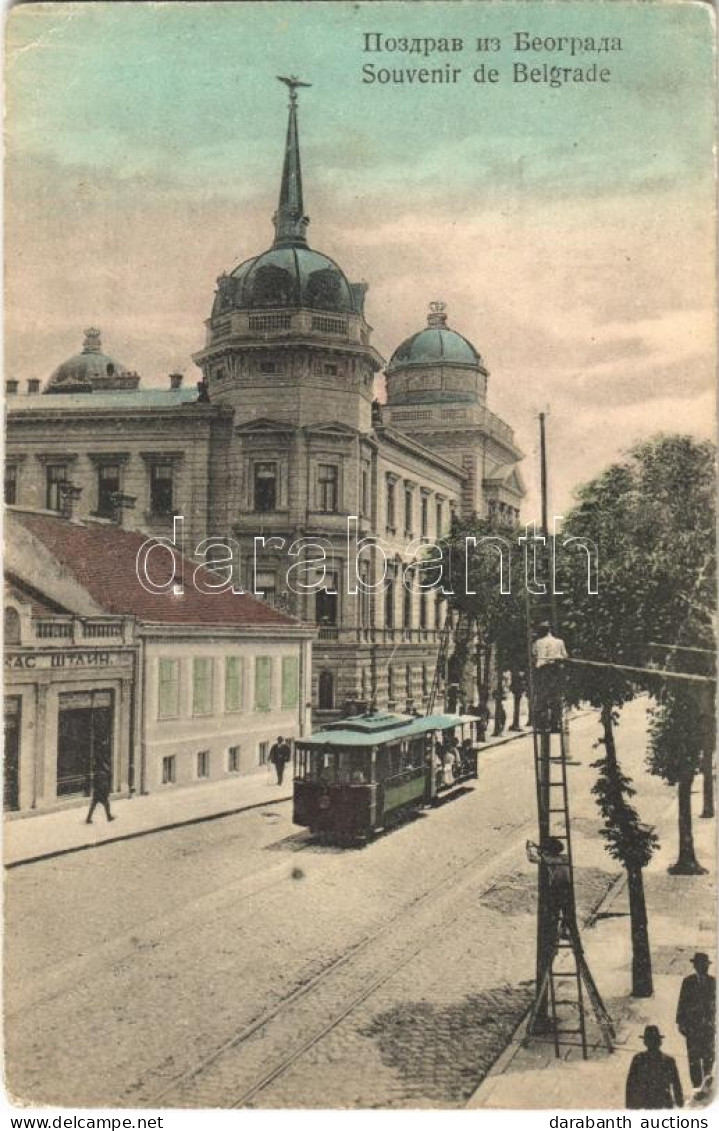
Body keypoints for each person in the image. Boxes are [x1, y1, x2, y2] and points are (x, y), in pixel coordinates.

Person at [676, 952, 715, 1097]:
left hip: (708, 1028)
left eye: (705, 965)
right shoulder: (688, 982)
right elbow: (682, 1003)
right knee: (693, 1059)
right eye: (699, 965)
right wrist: (680, 1022)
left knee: (708, 1057)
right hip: (692, 1028)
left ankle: (706, 1085)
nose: (702, 968)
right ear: (695, 966)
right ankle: (697, 1088)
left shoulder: (713, 982)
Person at [526, 837, 574, 942]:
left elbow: (532, 858)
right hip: (567, 886)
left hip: (556, 887)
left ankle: (553, 935)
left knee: (554, 911)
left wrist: (530, 848)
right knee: (567, 911)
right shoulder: (565, 857)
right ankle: (563, 930)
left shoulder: (549, 859)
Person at [626, 1025, 684, 1109]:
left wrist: (630, 1105)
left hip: (646, 1104)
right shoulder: (668, 1061)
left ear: (645, 1042)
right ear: (660, 1042)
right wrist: (679, 1102)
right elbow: (676, 1085)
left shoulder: (638, 1059)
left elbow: (631, 1085)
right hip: (661, 1104)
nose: (652, 1044)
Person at [532, 622, 567, 733]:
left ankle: (541, 725)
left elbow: (534, 654)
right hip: (555, 670)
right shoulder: (559, 642)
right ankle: (554, 725)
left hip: (542, 671)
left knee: (541, 698)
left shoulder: (537, 642)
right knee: (555, 698)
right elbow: (565, 656)